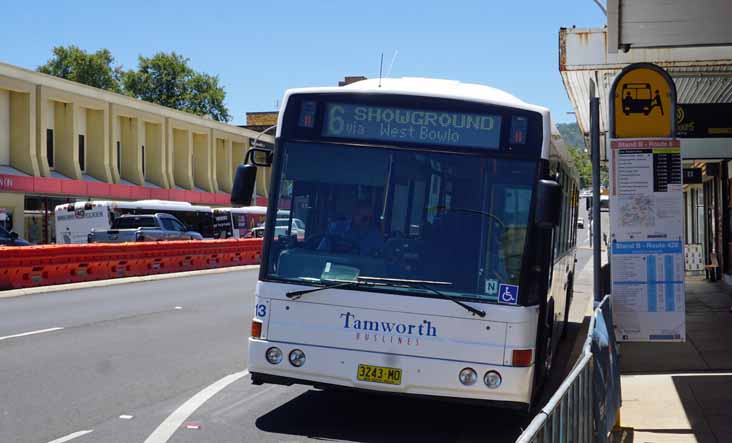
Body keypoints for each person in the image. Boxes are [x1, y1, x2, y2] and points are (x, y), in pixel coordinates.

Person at [319, 202, 384, 256]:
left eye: (370, 219)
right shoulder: (336, 228)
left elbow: (380, 257)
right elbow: (321, 252)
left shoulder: (374, 235)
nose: (368, 222)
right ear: (355, 215)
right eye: (365, 218)